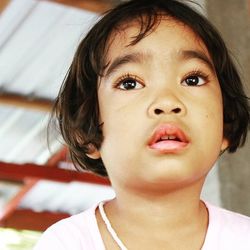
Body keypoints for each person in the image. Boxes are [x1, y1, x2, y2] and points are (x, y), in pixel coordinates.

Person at [34, 0, 250, 249]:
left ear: (225, 123)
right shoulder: (68, 243)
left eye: (192, 79)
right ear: (88, 132)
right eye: (130, 83)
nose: (167, 101)